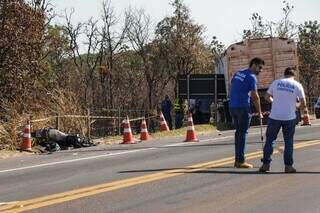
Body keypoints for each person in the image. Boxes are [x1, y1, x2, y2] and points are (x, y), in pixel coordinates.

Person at [259, 67, 308, 173]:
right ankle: (288, 166)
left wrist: (274, 102)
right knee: (288, 142)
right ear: (293, 76)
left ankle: (266, 165)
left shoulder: (276, 83)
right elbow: (303, 103)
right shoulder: (297, 85)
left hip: (275, 116)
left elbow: (266, 96)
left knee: (270, 140)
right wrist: (296, 105)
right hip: (289, 117)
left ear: (284, 74)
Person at [229, 57, 265, 168]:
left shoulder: (238, 73)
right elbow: (255, 96)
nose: (260, 70)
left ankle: (237, 159)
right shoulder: (251, 77)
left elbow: (233, 86)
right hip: (243, 107)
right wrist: (259, 112)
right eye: (260, 67)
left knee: (238, 133)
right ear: (254, 65)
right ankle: (241, 161)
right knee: (243, 134)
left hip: (232, 106)